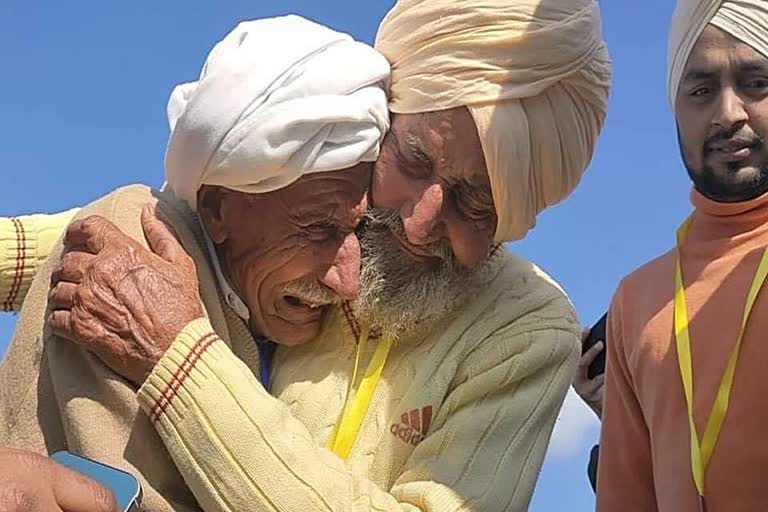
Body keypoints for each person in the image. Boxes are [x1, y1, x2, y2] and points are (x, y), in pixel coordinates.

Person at [1, 1, 611, 510]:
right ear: (382, 117)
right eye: (413, 161)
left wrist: (183, 362)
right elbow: (83, 240)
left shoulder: (526, 331)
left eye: (477, 205)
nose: (421, 224)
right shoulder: (284, 224)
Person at [597, 1, 768, 510]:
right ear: (675, 110)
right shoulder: (637, 301)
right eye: (701, 91)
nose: (728, 113)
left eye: (756, 82)